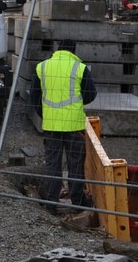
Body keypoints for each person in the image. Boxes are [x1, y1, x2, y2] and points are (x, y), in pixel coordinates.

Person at [29, 41, 98, 214]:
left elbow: (34, 96)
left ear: (57, 50)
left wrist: (46, 114)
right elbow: (91, 94)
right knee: (75, 165)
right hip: (74, 126)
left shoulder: (42, 67)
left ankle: (51, 204)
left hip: (51, 126)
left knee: (53, 164)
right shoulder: (80, 68)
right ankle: (77, 203)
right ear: (74, 51)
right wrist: (75, 104)